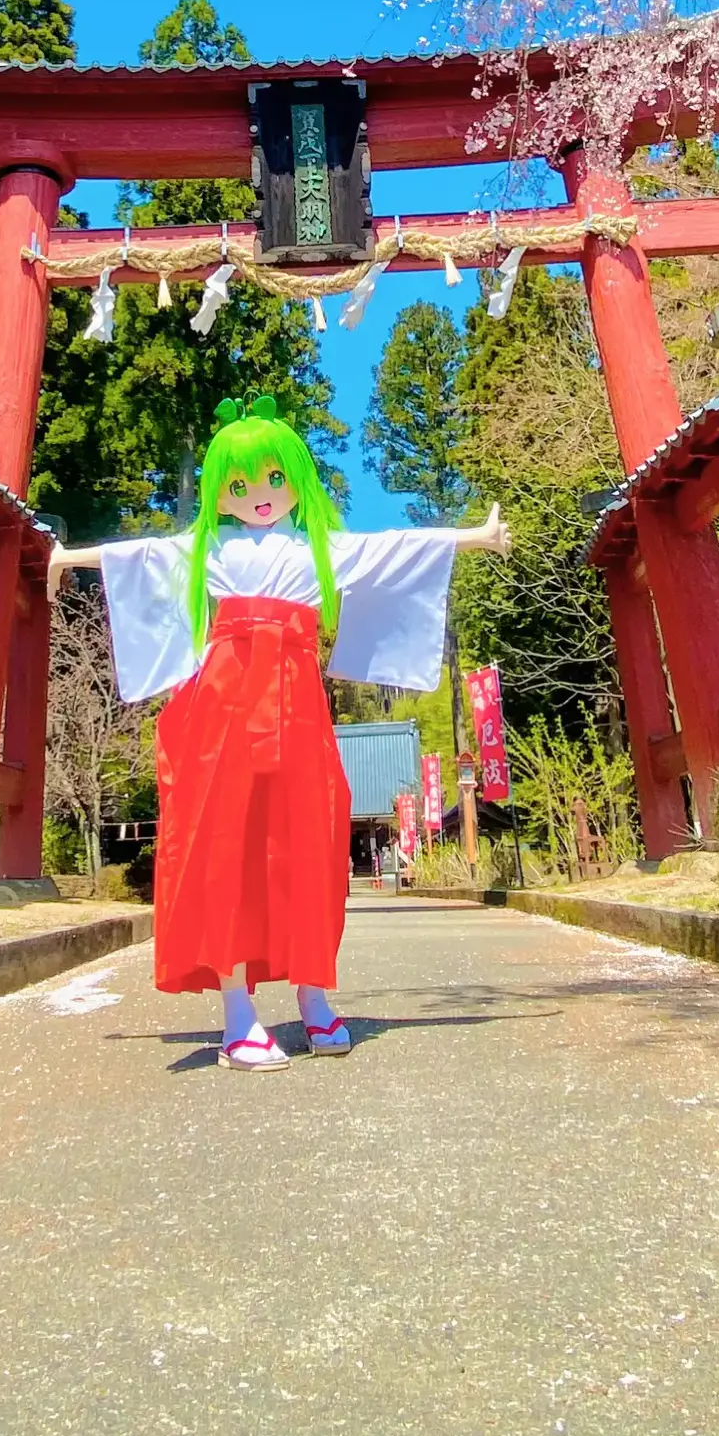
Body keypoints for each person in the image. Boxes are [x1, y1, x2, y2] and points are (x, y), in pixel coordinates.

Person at [44, 395, 510, 1071]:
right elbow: (137, 556)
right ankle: (238, 1011)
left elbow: (395, 547)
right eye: (239, 485)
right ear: (219, 493)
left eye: (272, 479)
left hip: (297, 707)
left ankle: (313, 995)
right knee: (225, 846)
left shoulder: (316, 548)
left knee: (311, 842)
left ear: (295, 480)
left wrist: (473, 536)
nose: (259, 495)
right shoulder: (207, 551)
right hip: (223, 708)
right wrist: (68, 557)